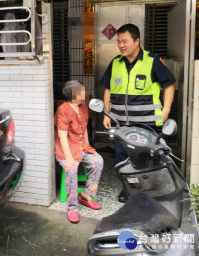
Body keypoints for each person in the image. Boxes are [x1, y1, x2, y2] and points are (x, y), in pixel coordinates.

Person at [99, 23, 175, 203]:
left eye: (125, 41)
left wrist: (166, 110)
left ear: (137, 41)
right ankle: (128, 190)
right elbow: (108, 89)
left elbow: (169, 84)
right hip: (120, 124)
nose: (121, 45)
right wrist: (106, 113)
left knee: (147, 158)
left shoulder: (152, 61)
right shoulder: (115, 63)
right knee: (122, 158)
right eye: (118, 42)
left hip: (146, 123)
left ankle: (148, 193)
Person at [54, 80, 104, 223]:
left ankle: (86, 195)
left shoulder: (83, 107)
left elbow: (84, 129)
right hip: (66, 149)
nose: (85, 92)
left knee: (98, 161)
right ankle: (72, 207)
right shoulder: (63, 110)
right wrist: (69, 158)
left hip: (80, 145)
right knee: (72, 168)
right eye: (82, 90)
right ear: (74, 94)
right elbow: (62, 137)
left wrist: (87, 146)